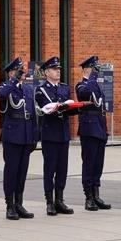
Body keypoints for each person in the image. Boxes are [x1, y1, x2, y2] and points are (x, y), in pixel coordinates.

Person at [34, 56, 78, 215]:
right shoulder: (41, 89)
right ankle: (49, 201)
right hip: (50, 133)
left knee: (62, 168)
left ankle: (60, 199)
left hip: (63, 133)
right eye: (54, 69)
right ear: (46, 72)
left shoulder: (65, 88)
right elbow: (45, 107)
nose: (58, 72)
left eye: (59, 69)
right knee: (50, 168)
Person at [0, 57, 37, 220]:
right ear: (11, 73)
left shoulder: (28, 89)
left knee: (22, 171)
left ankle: (19, 203)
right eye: (19, 70)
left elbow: (33, 113)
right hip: (12, 135)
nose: (23, 72)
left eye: (23, 70)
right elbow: (2, 94)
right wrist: (13, 80)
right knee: (12, 171)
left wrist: (35, 135)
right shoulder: (5, 86)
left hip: (26, 134)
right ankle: (10, 205)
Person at [76, 56, 111, 210]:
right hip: (89, 129)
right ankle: (88, 196)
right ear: (85, 69)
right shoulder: (81, 85)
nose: (95, 71)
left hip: (100, 128)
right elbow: (86, 93)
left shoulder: (96, 85)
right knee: (89, 163)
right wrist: (93, 76)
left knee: (98, 164)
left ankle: (96, 194)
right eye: (92, 68)